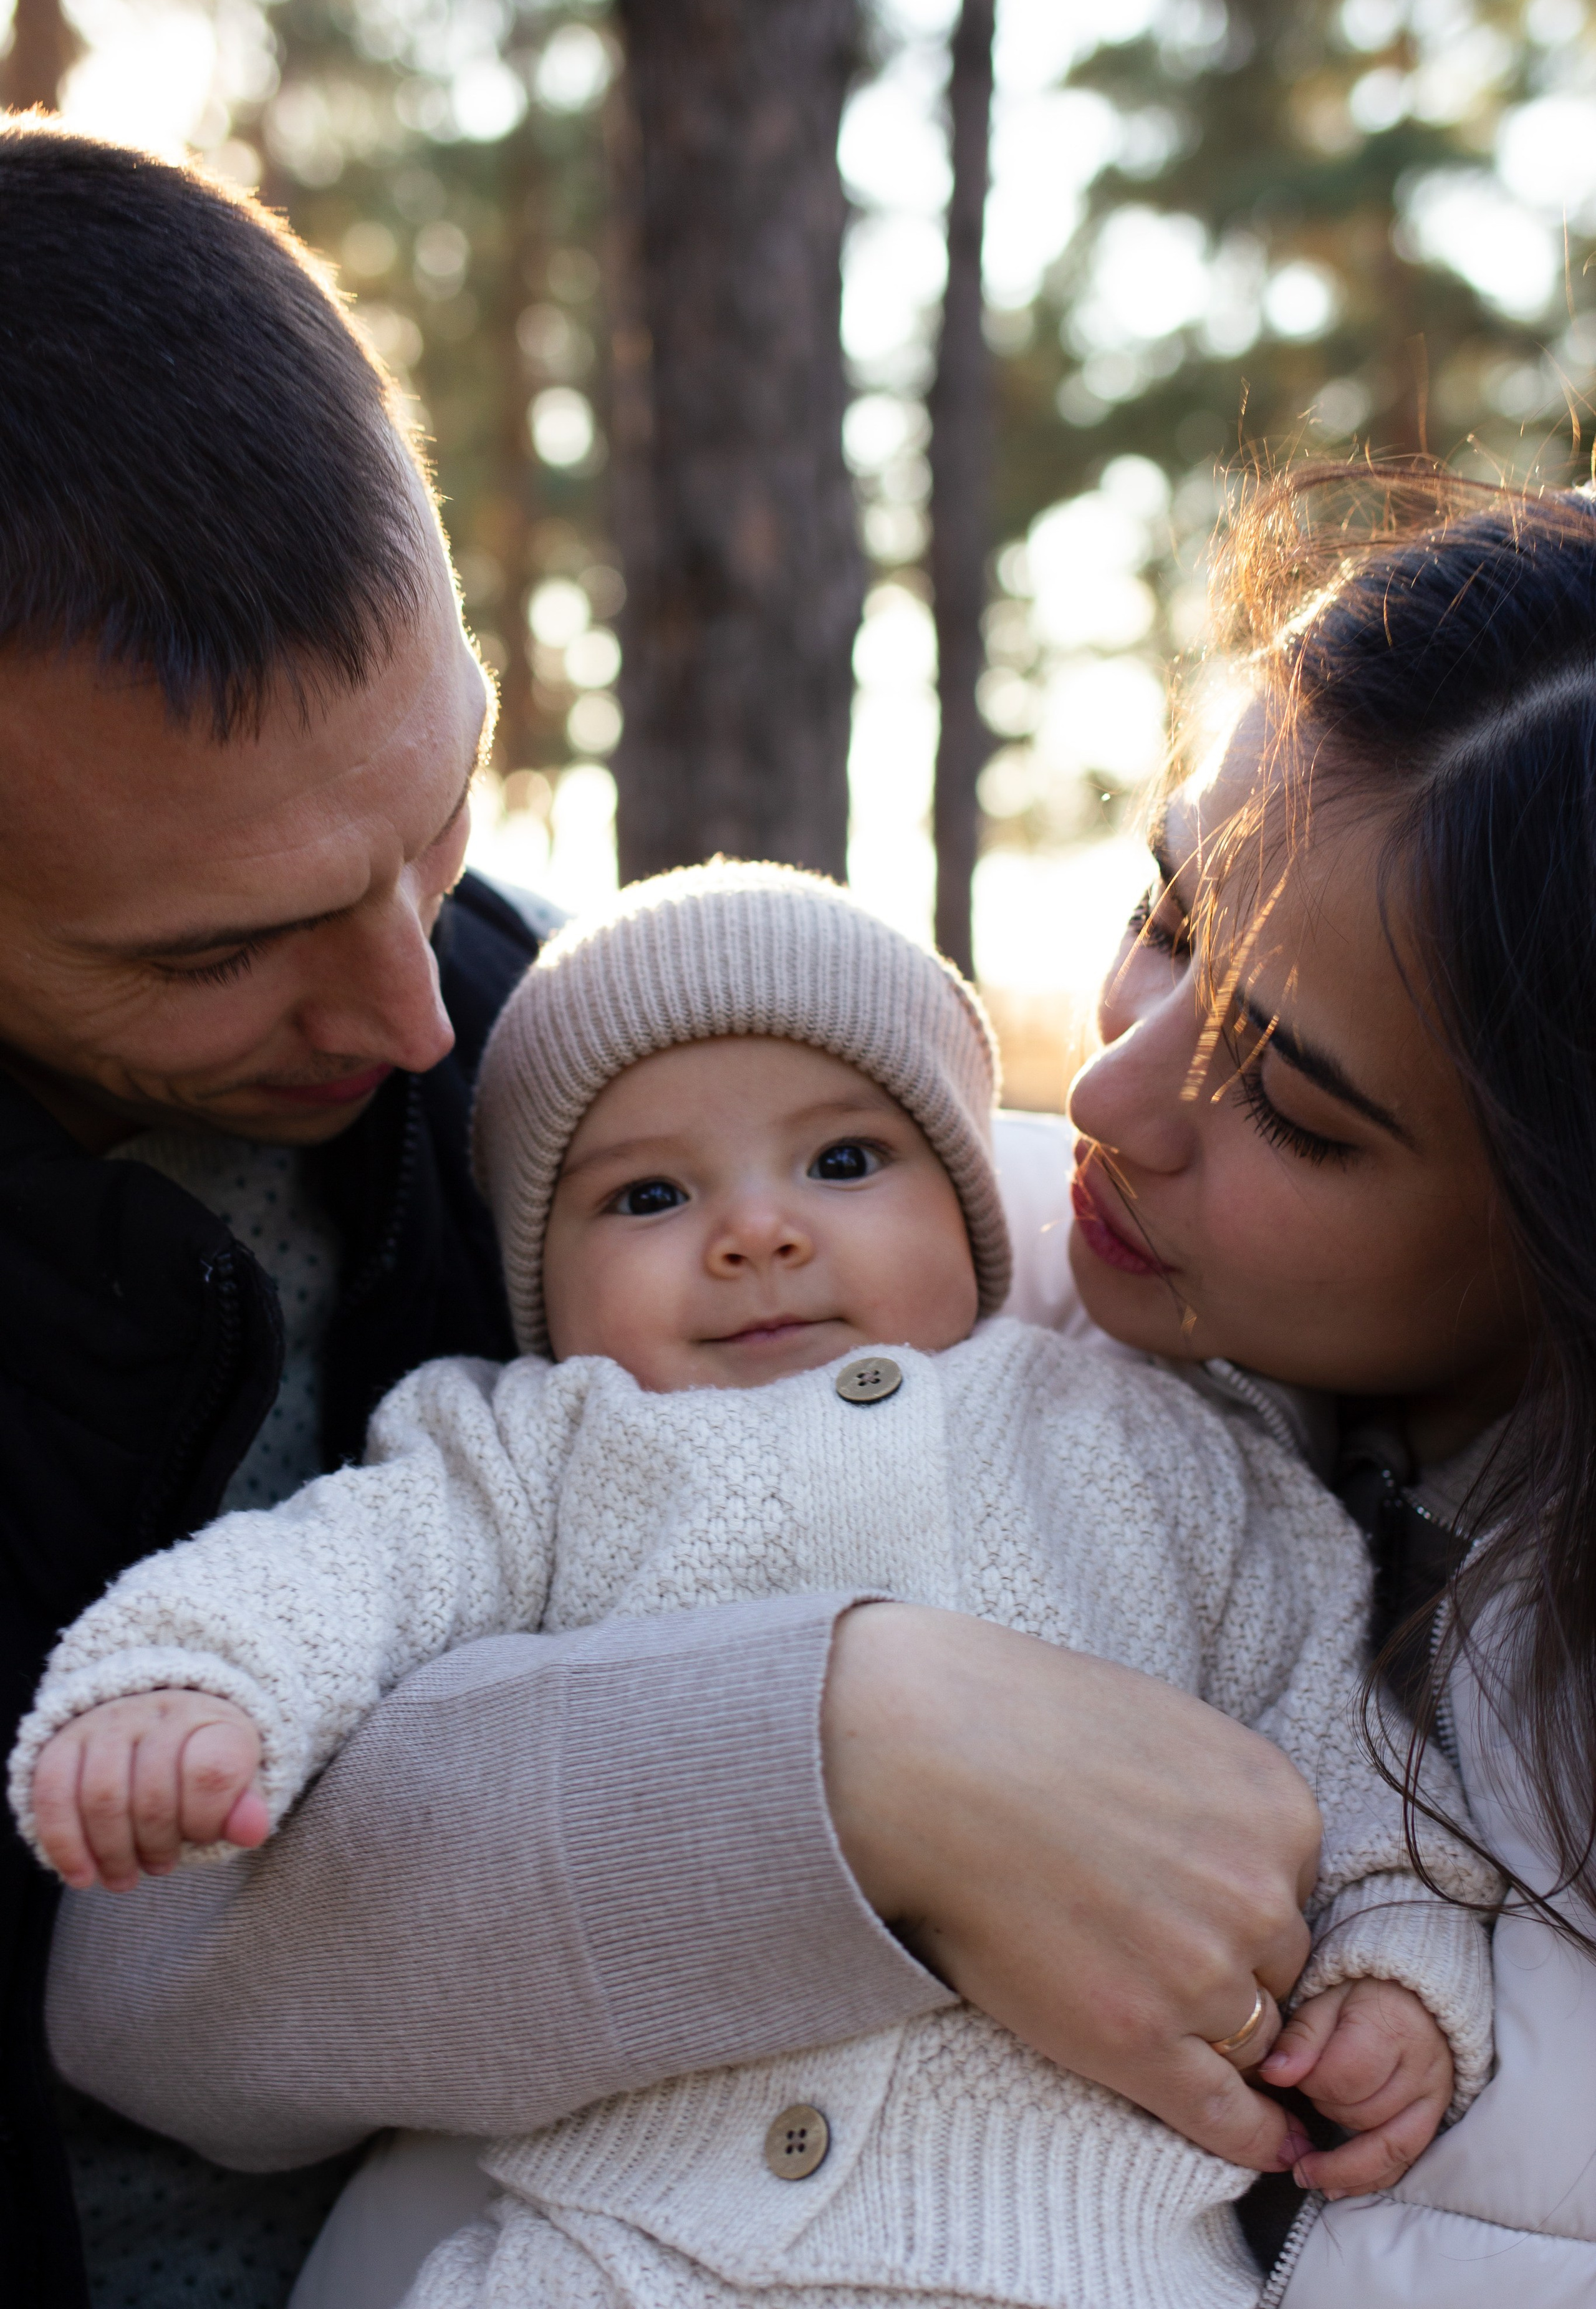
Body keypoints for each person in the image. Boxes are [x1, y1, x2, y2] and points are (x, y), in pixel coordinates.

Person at [0, 117, 1327, 2309]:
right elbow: (151, 1955)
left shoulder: (559, 1054)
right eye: (209, 955)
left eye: (435, 816)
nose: (413, 1015)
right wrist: (845, 1754)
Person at [16, 862, 1494, 2309]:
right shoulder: (539, 1445)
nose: (756, 1230)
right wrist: (190, 1681)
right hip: (609, 2246)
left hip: (1075, 2250)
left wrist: (1397, 1968)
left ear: (970, 1202)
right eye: (648, 1194)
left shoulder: (1160, 1443)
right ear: (542, 1275)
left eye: (843, 1162)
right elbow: (337, 1570)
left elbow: (1343, 1737)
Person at [1061, 466, 1596, 2300]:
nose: (1109, 1099)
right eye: (1166, 916)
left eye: (1287, 1102)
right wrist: (855, 1752)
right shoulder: (873, 1273)